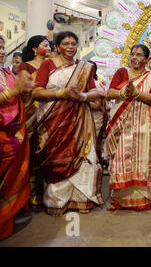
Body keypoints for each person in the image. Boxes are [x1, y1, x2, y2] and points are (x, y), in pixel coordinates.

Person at [32, 31, 104, 216]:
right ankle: (57, 202)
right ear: (57, 47)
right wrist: (61, 94)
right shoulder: (48, 64)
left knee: (83, 158)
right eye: (66, 43)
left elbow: (96, 92)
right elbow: (37, 93)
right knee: (57, 159)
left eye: (73, 43)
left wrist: (82, 96)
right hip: (53, 120)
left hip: (80, 119)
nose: (70, 46)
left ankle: (80, 200)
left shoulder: (84, 67)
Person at [104, 44, 151, 211]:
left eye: (139, 55)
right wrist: (122, 93)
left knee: (143, 158)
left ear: (146, 60)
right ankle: (120, 199)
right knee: (121, 157)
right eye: (132, 54)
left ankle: (144, 198)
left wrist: (137, 93)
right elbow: (110, 92)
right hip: (122, 124)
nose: (134, 57)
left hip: (144, 122)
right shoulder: (122, 73)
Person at [0, 35, 33, 239]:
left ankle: (8, 214)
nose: (2, 51)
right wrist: (13, 91)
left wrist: (26, 92)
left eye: (3, 47)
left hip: (13, 132)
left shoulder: (6, 72)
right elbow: (12, 93)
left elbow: (19, 99)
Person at [17, 35, 51, 208]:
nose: (50, 48)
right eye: (45, 45)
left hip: (48, 114)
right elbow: (21, 89)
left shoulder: (51, 65)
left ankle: (44, 192)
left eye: (50, 45)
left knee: (46, 153)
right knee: (31, 153)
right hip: (31, 114)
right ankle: (29, 194)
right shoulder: (25, 67)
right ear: (34, 49)